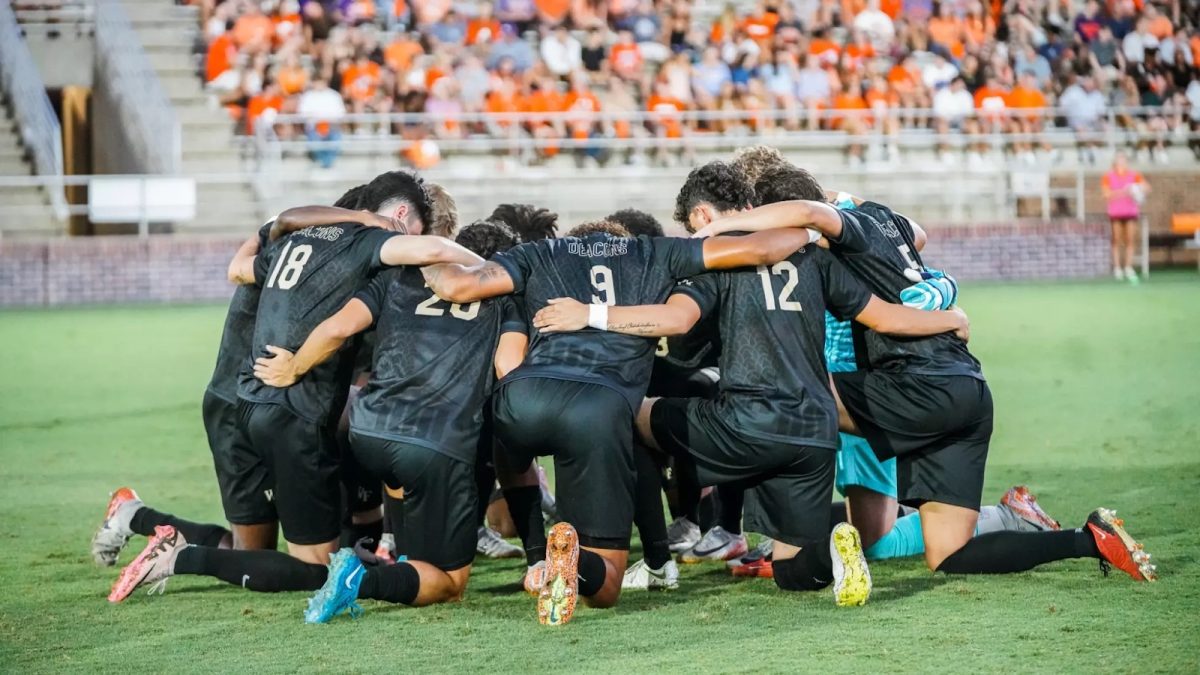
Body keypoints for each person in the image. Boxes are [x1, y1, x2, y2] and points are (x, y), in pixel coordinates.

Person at [530, 161, 970, 606]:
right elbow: (884, 315)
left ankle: (652, 560)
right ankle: (833, 554)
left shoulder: (713, 259)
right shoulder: (815, 255)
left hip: (744, 424)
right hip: (814, 433)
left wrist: (590, 314)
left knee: (626, 415)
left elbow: (677, 322)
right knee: (793, 572)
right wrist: (951, 319)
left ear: (702, 217)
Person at [691, 181, 1158, 585]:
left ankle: (750, 533)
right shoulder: (883, 221)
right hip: (966, 388)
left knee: (781, 400)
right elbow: (898, 231)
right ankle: (1088, 539)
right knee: (948, 555)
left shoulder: (832, 244)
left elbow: (815, 216)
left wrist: (717, 230)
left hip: (909, 386)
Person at [418, 202, 832, 624]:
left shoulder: (539, 253)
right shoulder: (653, 253)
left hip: (523, 398)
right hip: (599, 407)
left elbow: (458, 287)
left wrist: (418, 249)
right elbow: (762, 250)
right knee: (607, 583)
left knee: (514, 437)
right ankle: (582, 563)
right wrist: (816, 228)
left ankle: (538, 555)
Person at [108, 173, 487, 603]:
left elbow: (239, 266)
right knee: (314, 570)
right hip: (290, 404)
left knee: (256, 549)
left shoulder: (297, 240)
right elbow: (430, 254)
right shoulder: (366, 245)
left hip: (242, 399)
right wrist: (489, 271)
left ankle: (140, 519)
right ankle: (180, 555)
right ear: (399, 217)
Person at [249, 220, 527, 621]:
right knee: (450, 583)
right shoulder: (507, 298)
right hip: (434, 442)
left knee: (403, 485)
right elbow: (508, 366)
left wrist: (293, 367)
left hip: (368, 430)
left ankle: (400, 554)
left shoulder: (397, 278)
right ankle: (359, 579)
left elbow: (339, 327)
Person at [91, 186, 376, 566]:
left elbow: (242, 263)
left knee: (280, 551)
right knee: (254, 553)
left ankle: (139, 520)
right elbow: (245, 261)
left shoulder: (309, 247)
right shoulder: (310, 250)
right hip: (239, 400)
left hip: (273, 401)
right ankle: (136, 517)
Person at [1101, 152, 1149, 283]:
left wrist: (1138, 189)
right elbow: (1106, 194)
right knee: (1116, 240)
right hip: (1115, 212)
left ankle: (1128, 267)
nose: (1121, 163)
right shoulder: (1108, 176)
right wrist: (1124, 191)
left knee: (1130, 240)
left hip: (1130, 212)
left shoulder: (1134, 175)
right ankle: (1117, 268)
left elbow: (1146, 188)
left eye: (1123, 160)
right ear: (1115, 162)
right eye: (1119, 160)